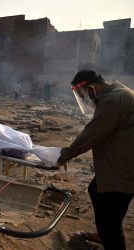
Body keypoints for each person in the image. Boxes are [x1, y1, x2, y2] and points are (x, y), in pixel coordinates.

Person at [57, 70, 134, 250]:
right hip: (121, 162)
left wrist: (64, 155)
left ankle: (109, 236)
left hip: (125, 169)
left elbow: (93, 134)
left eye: (84, 95)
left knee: (111, 223)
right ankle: (103, 233)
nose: (86, 100)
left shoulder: (114, 100)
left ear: (91, 88)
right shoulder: (118, 92)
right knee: (96, 189)